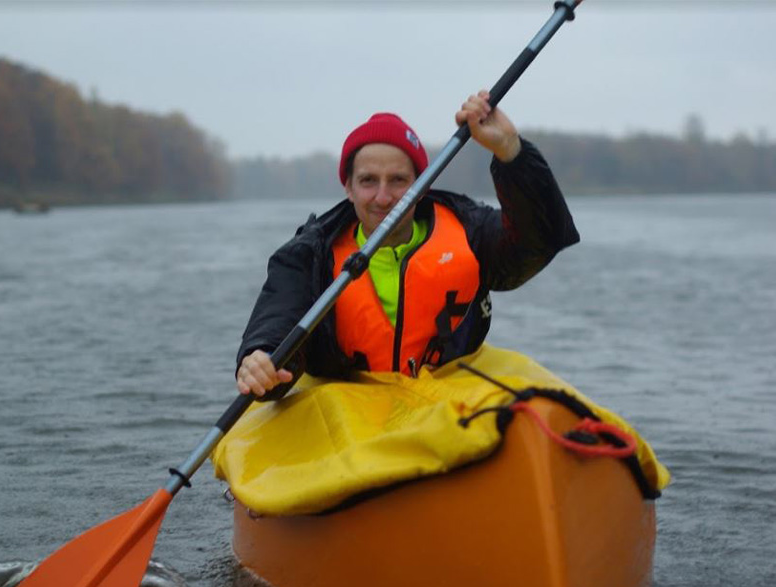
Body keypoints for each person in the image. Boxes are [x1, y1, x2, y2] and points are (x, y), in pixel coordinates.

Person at [236, 90, 580, 398]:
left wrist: (511, 151)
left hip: (447, 394)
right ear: (349, 188)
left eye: (399, 181)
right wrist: (261, 359)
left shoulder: (470, 231)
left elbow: (542, 239)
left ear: (422, 185)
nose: (383, 197)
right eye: (368, 181)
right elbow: (277, 323)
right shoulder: (308, 256)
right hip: (348, 404)